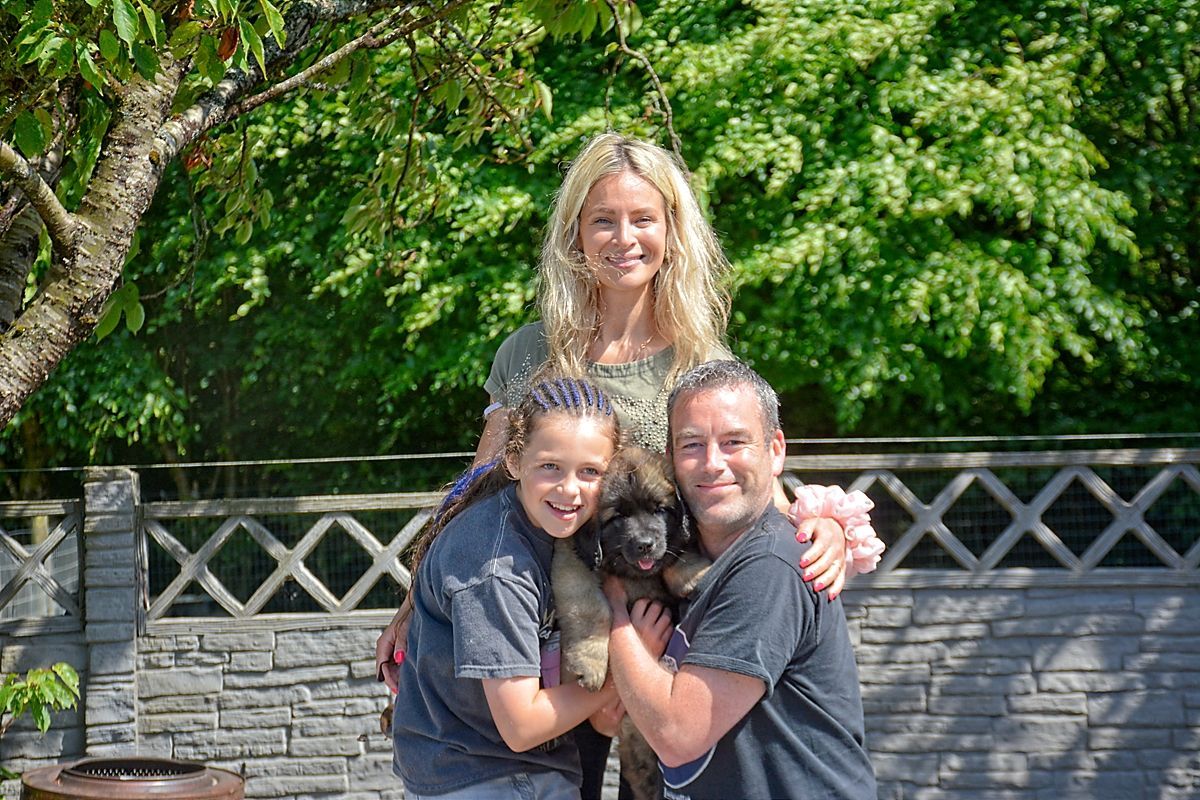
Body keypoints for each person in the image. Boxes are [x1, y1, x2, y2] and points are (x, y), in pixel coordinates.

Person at [378, 133, 860, 798]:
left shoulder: (699, 356)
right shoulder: (529, 352)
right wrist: (413, 602)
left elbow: (750, 488)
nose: (623, 238)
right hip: (555, 639)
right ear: (575, 232)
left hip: (667, 634)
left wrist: (822, 527)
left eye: (643, 219)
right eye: (603, 219)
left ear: (672, 229)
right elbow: (476, 495)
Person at [602, 359, 876, 799]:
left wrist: (613, 614)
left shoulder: (772, 564)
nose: (712, 463)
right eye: (691, 444)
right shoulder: (685, 557)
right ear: (671, 460)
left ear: (775, 450)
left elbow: (677, 735)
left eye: (734, 441)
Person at [392, 376, 658, 799]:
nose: (570, 488)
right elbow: (521, 726)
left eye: (590, 471)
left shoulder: (558, 531)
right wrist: (630, 673)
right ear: (514, 460)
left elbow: (599, 720)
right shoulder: (496, 567)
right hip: (486, 779)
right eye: (550, 466)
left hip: (507, 771)